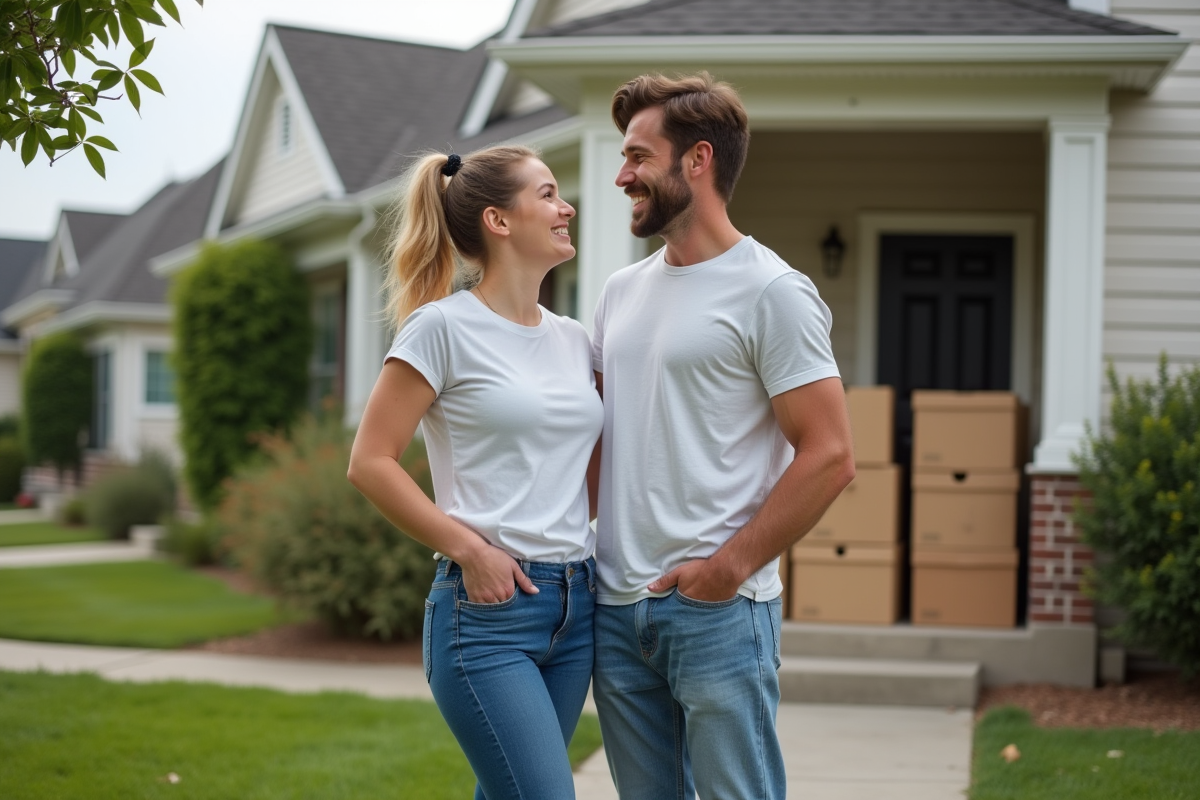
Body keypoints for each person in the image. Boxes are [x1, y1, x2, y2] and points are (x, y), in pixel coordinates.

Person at [590, 72, 857, 800]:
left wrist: (727, 570)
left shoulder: (772, 291)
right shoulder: (619, 292)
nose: (622, 176)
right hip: (616, 609)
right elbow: (600, 441)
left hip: (718, 612)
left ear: (697, 160)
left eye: (639, 157)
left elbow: (831, 455)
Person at [347, 145, 602, 800]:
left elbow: (583, 465)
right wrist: (471, 550)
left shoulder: (575, 339)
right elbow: (370, 462)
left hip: (576, 608)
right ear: (499, 220)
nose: (566, 207)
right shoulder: (441, 328)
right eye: (547, 194)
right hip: (487, 615)